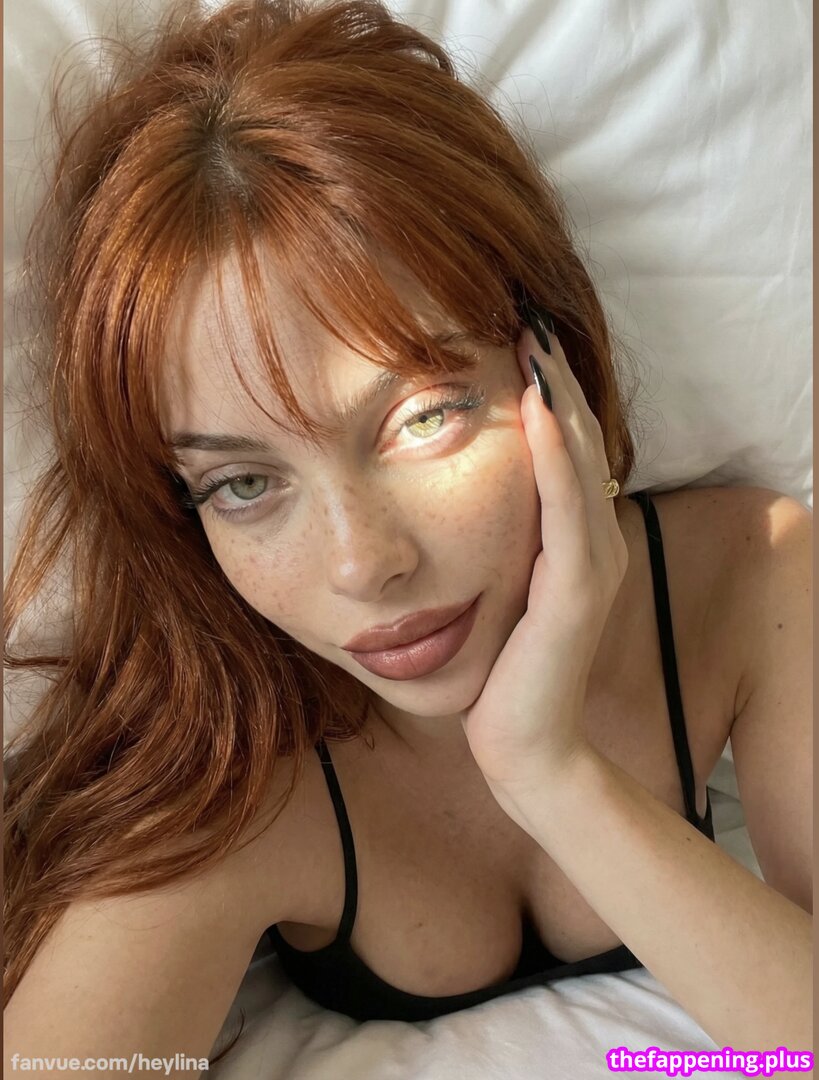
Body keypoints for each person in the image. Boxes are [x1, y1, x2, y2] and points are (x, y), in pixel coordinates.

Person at [3, 0, 811, 1070]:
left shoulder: (751, 575)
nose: (362, 564)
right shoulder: (234, 770)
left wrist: (549, 772)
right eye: (243, 483)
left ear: (549, 365)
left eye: (423, 419)